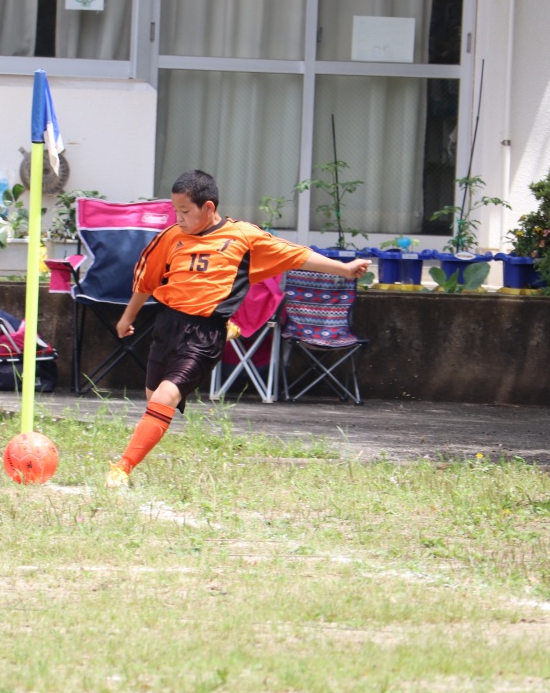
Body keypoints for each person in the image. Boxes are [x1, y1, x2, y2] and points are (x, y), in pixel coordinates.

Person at [107, 168, 371, 488]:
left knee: (165, 396)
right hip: (167, 326)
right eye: (175, 210)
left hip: (205, 334)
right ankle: (136, 455)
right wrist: (127, 318)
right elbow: (146, 281)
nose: (178, 218)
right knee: (155, 400)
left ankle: (121, 469)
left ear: (208, 208)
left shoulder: (242, 236)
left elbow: (295, 255)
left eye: (185, 211)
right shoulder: (171, 237)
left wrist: (344, 269)